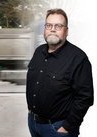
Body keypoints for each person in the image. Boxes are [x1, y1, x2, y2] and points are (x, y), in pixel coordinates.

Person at [26, 8, 94, 137]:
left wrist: (66, 128)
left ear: (66, 31)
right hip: (33, 124)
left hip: (57, 129)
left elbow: (85, 98)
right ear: (45, 29)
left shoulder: (78, 58)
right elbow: (33, 82)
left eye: (58, 26)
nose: (52, 29)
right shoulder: (38, 52)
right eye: (49, 25)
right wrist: (30, 110)